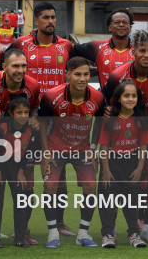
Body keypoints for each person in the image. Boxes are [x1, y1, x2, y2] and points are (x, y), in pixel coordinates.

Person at [9, 2, 76, 236]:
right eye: (46, 17)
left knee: (58, 174)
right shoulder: (20, 44)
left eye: (53, 17)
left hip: (56, 121)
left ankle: (59, 222)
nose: (51, 21)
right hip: (27, 119)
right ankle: (23, 227)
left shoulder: (67, 46)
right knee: (25, 173)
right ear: (35, 21)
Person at [102, 29, 148, 244]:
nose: (147, 55)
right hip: (118, 133)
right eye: (142, 50)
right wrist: (107, 111)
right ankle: (111, 228)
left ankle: (145, 227)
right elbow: (103, 100)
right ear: (133, 51)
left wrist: (147, 122)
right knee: (116, 180)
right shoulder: (118, 75)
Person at [38, 57, 105, 248]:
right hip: (55, 148)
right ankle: (52, 234)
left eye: (86, 74)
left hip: (82, 150)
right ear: (68, 74)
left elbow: (99, 122)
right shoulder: (52, 95)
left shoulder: (98, 97)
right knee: (50, 187)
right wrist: (45, 151)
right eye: (77, 74)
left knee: (91, 188)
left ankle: (83, 233)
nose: (82, 78)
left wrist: (93, 148)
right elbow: (42, 123)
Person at [98, 80, 148, 249]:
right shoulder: (110, 119)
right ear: (119, 98)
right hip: (112, 164)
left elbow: (144, 146)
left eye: (134, 95)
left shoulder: (141, 119)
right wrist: (105, 170)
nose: (130, 99)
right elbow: (104, 146)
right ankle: (108, 234)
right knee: (108, 200)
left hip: (132, 164)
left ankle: (134, 234)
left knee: (132, 201)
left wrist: (139, 169)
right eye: (126, 95)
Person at [0, 97, 37, 248]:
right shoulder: (2, 127)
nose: (23, 116)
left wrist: (21, 171)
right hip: (0, 166)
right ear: (11, 113)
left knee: (21, 202)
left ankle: (20, 237)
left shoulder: (30, 128)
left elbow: (27, 150)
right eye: (19, 112)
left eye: (26, 112)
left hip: (17, 167)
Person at [73, 8, 135, 87]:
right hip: (106, 99)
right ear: (110, 27)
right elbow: (68, 48)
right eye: (117, 22)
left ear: (130, 27)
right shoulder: (97, 47)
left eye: (125, 22)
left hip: (132, 99)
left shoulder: (139, 50)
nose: (121, 24)